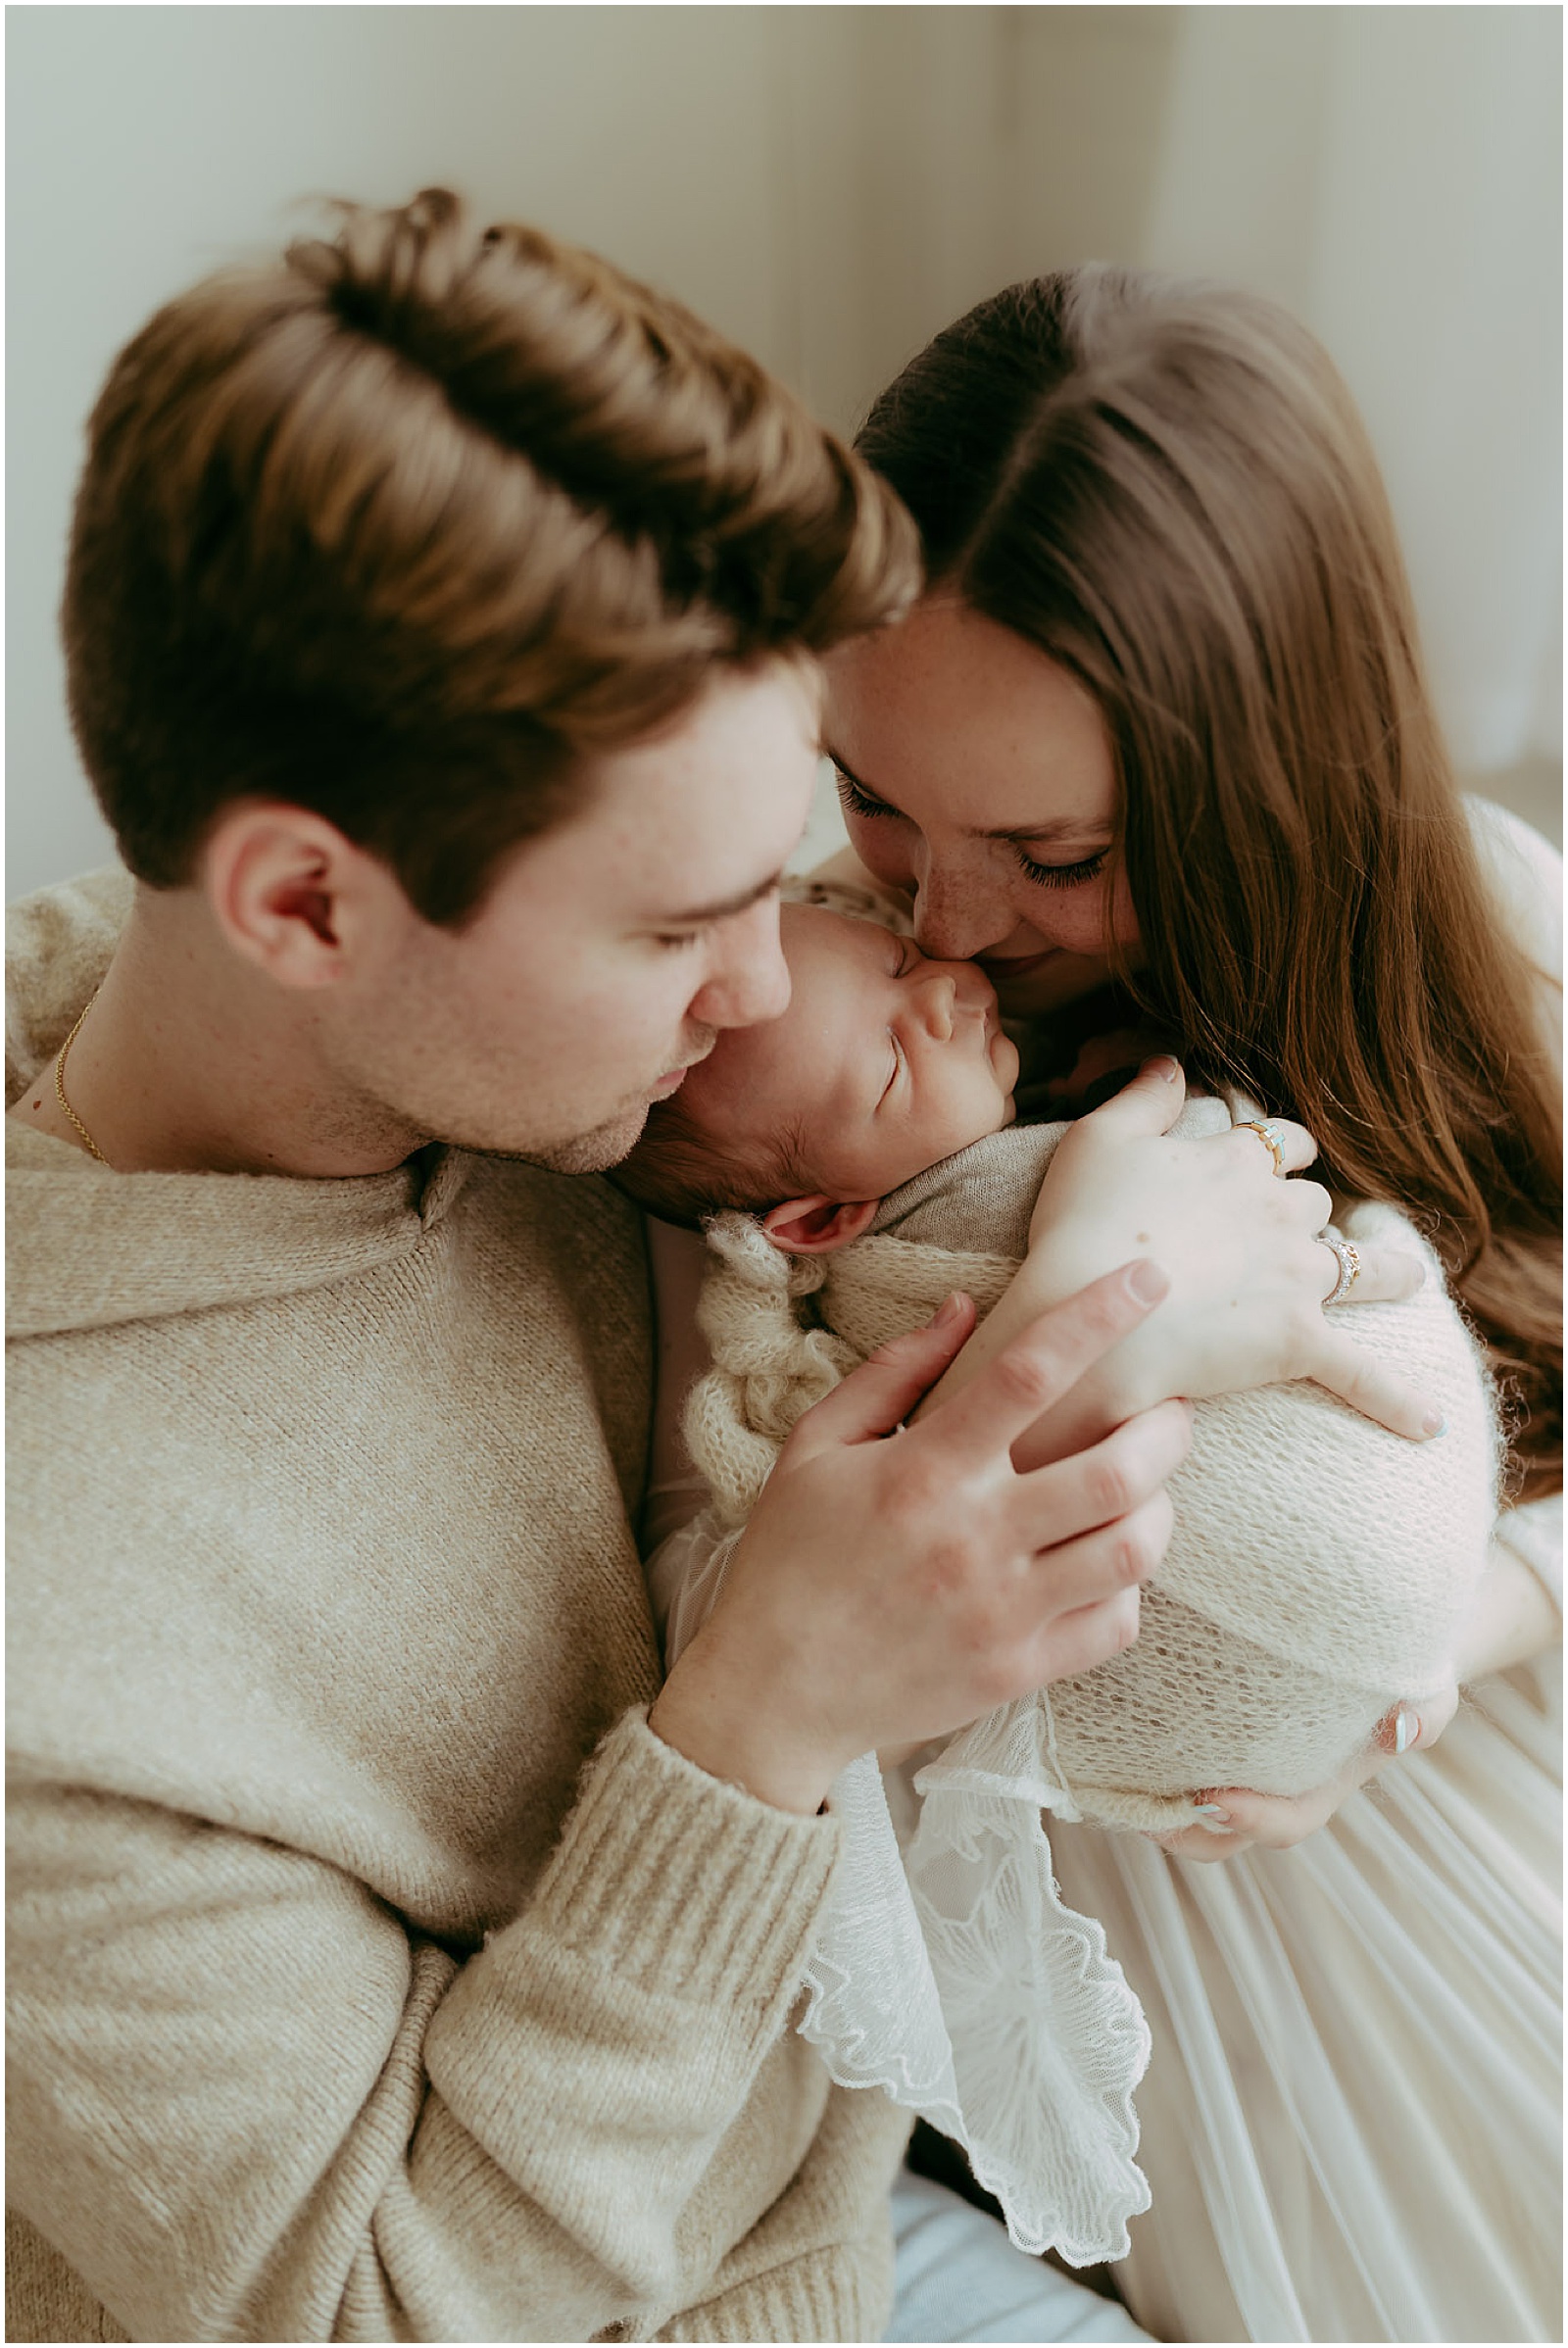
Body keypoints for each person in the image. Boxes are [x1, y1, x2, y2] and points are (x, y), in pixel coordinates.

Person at [4, 192, 1431, 2346]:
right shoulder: (60, 1655)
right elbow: (378, 2313)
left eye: (795, 846)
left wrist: (1108, 1284)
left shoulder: (499, 1039)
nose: (793, 971)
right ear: (305, 906)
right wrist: (753, 1723)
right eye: (681, 931)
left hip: (882, 2211)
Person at [794, 267, 1561, 2341]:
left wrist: (1416, 1661)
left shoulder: (1481, 929)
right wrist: (1084, 1319)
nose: (939, 920)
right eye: (873, 796)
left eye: (1052, 850)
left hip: (1478, 1798)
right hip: (1212, 2022)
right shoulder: (807, 1057)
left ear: (1254, 793)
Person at [617, 893, 1499, 2265]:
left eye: (1048, 852)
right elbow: (777, 1598)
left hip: (1467, 1706)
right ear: (819, 1219)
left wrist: (1450, 1642)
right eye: (899, 1055)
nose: (953, 968)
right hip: (1212, 1847)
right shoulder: (769, 1098)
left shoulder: (1446, 922)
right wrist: (1087, 1313)